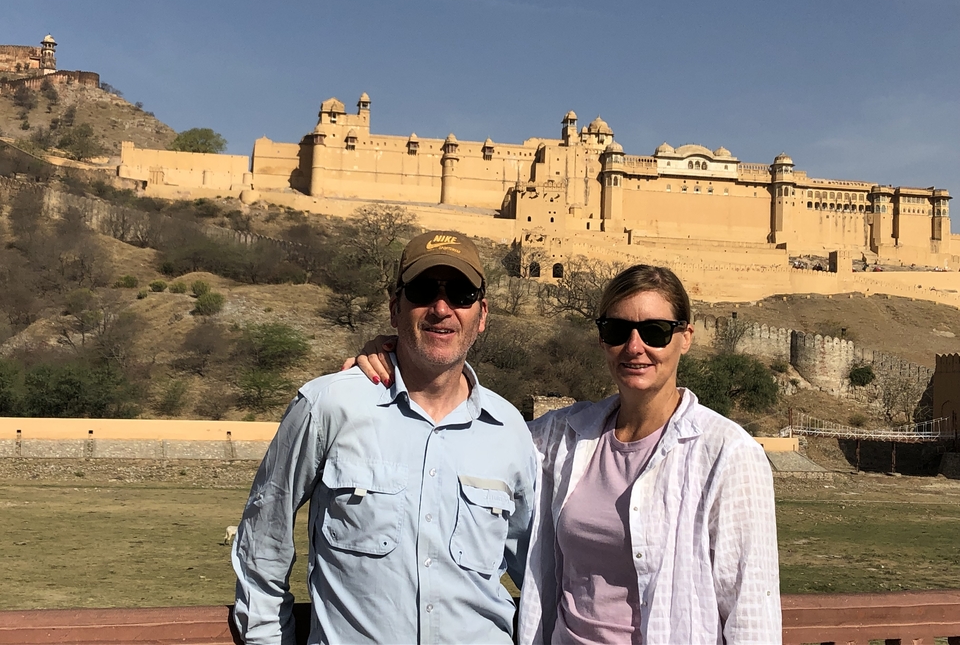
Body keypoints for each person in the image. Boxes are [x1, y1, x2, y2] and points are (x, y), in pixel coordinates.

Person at [350, 263, 782, 644]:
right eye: (616, 331)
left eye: (654, 332)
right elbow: (469, 434)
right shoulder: (562, 438)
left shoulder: (726, 454)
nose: (634, 347)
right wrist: (399, 356)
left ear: (685, 337)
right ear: (601, 339)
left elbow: (751, 615)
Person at [232, 230, 537, 644]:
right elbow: (263, 538)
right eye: (424, 290)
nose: (442, 309)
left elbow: (538, 574)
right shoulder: (329, 405)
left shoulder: (510, 430)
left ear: (482, 315)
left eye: (461, 294)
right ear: (396, 308)